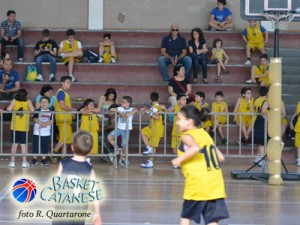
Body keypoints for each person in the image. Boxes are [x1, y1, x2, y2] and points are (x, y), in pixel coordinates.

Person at [171, 104, 229, 225]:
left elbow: (195, 148)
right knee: (212, 220)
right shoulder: (204, 134)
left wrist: (178, 160)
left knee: (186, 216)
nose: (177, 123)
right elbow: (221, 157)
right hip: (215, 183)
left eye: (179, 119)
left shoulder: (187, 136)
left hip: (198, 183)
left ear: (189, 121)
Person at [52, 130, 102, 225]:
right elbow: (94, 192)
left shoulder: (64, 164)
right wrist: (97, 213)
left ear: (72, 148)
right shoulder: (89, 169)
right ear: (91, 150)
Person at [7, 88, 35, 168]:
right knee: (23, 145)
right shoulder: (28, 101)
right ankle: (24, 161)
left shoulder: (14, 101)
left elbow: (9, 109)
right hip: (24, 127)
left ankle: (12, 161)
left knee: (14, 144)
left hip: (15, 126)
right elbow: (32, 110)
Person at [107, 96, 138, 167]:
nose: (122, 103)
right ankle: (118, 148)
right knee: (109, 137)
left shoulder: (132, 109)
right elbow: (111, 109)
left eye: (123, 102)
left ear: (128, 103)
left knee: (124, 145)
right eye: (121, 102)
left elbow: (127, 115)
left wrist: (122, 113)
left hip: (126, 129)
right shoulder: (119, 108)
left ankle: (123, 159)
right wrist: (119, 111)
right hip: (119, 128)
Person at [52, 76, 77, 162]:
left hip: (67, 119)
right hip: (62, 118)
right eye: (67, 82)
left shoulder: (66, 93)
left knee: (67, 138)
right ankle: (54, 152)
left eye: (70, 82)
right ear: (62, 83)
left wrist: (71, 114)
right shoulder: (61, 93)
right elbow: (62, 106)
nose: (69, 84)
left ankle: (64, 156)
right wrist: (73, 110)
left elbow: (67, 106)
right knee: (64, 138)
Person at [140, 92, 164, 168]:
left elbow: (157, 117)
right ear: (158, 98)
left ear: (150, 99)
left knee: (153, 146)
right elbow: (146, 113)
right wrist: (144, 111)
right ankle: (149, 149)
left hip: (157, 129)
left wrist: (149, 112)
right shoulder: (154, 107)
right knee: (143, 131)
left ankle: (150, 161)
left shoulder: (155, 107)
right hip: (153, 128)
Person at [31, 96, 53, 167]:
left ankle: (44, 159)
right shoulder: (37, 110)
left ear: (49, 104)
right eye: (42, 102)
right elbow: (34, 119)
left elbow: (52, 120)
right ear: (40, 103)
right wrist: (41, 123)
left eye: (45, 102)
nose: (44, 104)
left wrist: (45, 124)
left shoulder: (51, 111)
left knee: (45, 146)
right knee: (36, 146)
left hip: (46, 133)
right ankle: (34, 159)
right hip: (37, 132)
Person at [253, 87, 269, 166]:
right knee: (263, 141)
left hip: (256, 120)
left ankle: (258, 157)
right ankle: (261, 159)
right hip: (263, 121)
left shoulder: (256, 100)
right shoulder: (266, 101)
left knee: (260, 141)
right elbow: (263, 112)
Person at [290, 102, 300, 167]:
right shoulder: (299, 103)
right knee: (299, 145)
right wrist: (291, 122)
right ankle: (299, 159)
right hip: (298, 127)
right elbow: (296, 114)